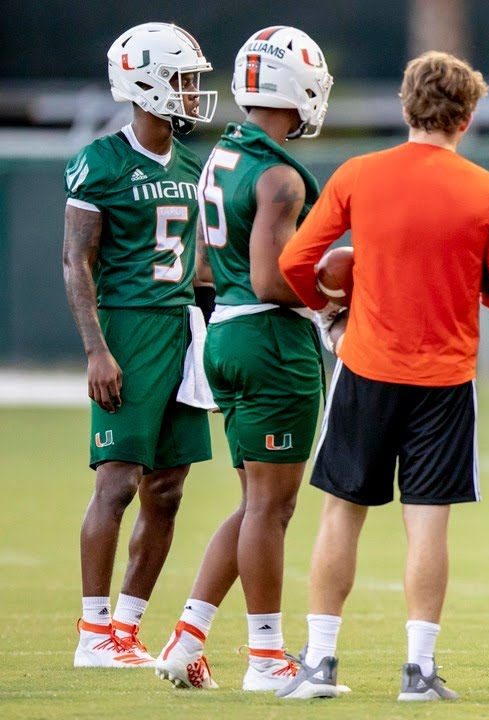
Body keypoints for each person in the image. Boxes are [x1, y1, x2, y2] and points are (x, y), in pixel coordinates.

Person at [273, 50, 489, 701]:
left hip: (366, 369)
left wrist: (329, 307)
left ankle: (321, 665)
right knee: (428, 523)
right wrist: (462, 270)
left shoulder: (360, 173)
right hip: (444, 379)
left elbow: (297, 261)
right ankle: (418, 671)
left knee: (342, 512)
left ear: (405, 104)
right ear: (468, 116)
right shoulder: (488, 191)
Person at [153, 26, 335, 692]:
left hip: (226, 333)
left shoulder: (223, 154)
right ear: (299, 88)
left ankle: (188, 636)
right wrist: (339, 289)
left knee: (255, 503)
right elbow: (269, 279)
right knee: (270, 510)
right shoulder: (279, 174)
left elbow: (207, 266)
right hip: (267, 339)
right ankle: (265, 660)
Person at [62, 21, 216, 669]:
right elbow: (76, 261)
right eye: (182, 79)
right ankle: (93, 633)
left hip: (182, 327)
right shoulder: (101, 161)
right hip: (127, 326)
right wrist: (97, 348)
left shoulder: (191, 161)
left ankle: (126, 630)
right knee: (118, 481)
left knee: (169, 487)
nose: (190, 92)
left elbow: (201, 262)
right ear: (145, 82)